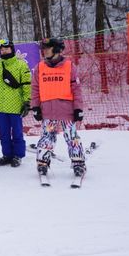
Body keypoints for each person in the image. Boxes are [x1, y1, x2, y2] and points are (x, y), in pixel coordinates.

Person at [31, 37, 86, 177]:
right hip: (48, 112)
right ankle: (43, 162)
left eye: (47, 48)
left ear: (56, 49)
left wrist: (78, 108)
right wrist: (36, 107)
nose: (44, 51)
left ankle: (78, 162)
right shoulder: (40, 67)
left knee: (72, 137)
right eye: (43, 49)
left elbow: (76, 89)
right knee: (47, 137)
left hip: (66, 112)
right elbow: (35, 89)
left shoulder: (69, 66)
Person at [0, 39, 31, 167]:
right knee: (3, 133)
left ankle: (18, 155)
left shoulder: (21, 65)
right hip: (0, 106)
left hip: (16, 105)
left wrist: (27, 102)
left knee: (17, 132)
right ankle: (7, 155)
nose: (4, 51)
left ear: (12, 49)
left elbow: (27, 85)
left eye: (6, 48)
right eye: (1, 49)